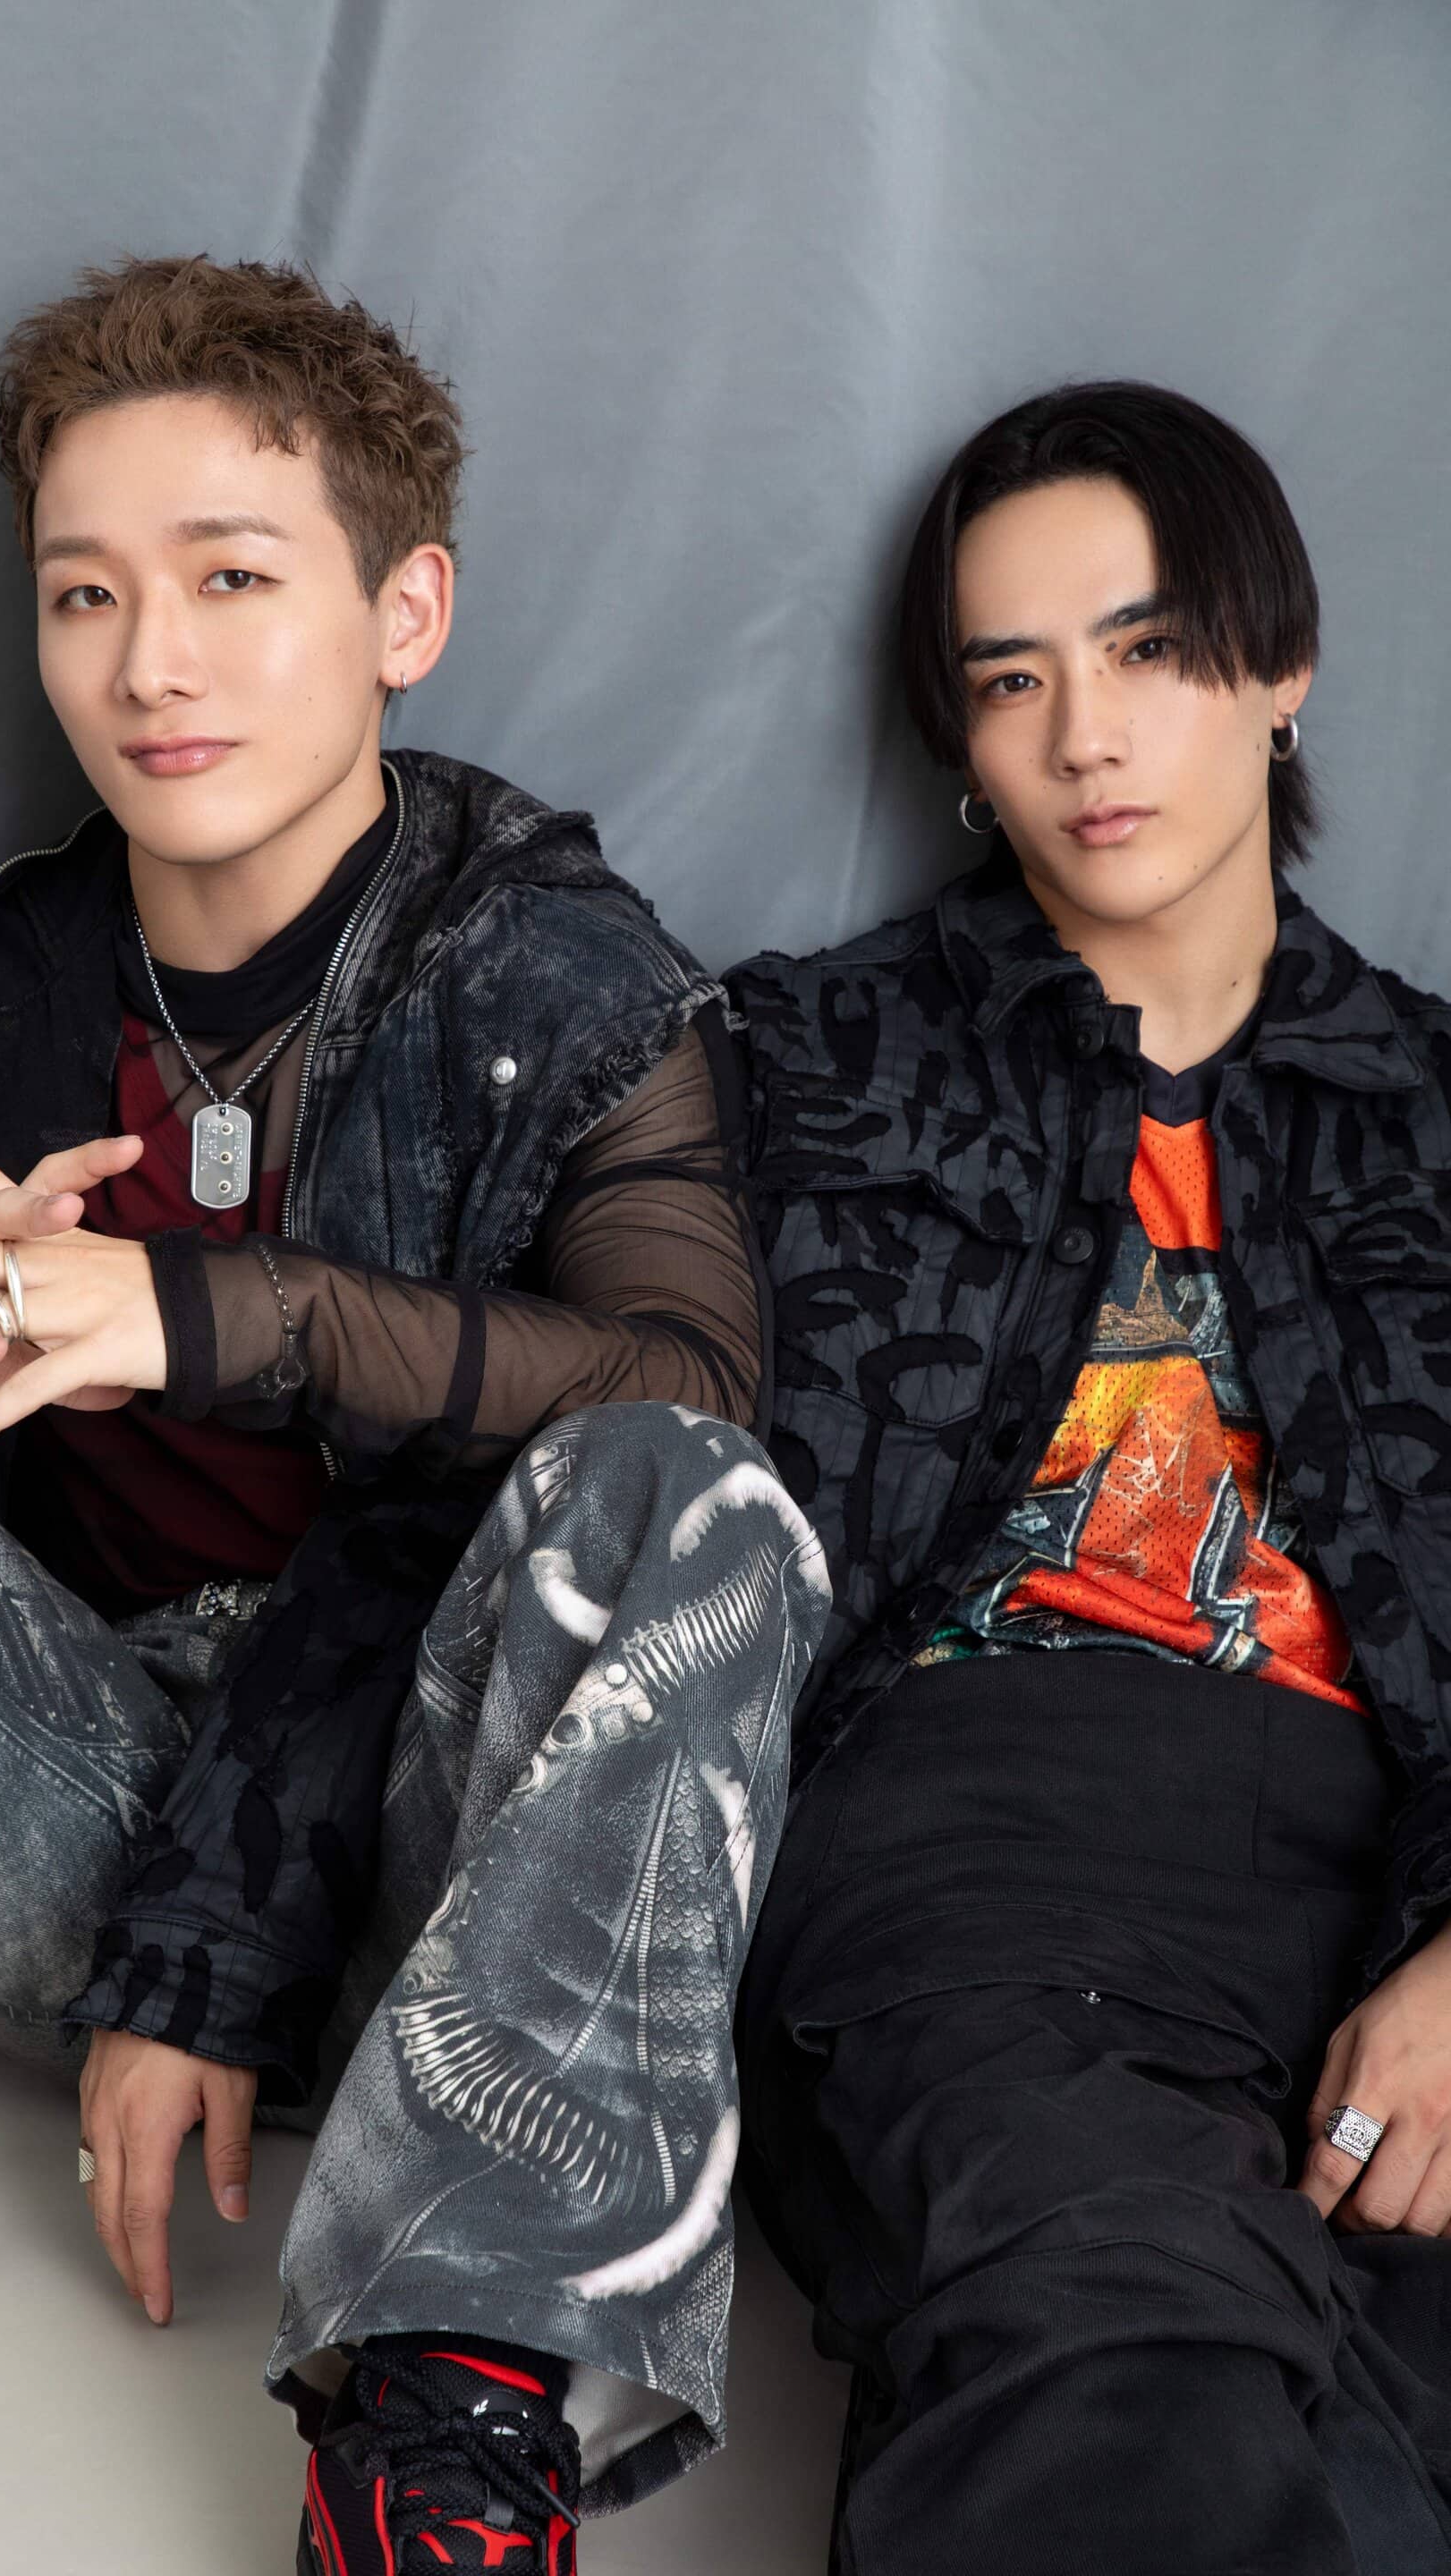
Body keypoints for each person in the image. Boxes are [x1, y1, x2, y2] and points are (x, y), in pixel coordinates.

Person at [0, 254, 830, 2574]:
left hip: (468, 1899)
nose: (152, 663)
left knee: (690, 1490)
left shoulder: (564, 976)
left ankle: (444, 2425)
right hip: (61, 1810)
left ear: (402, 612)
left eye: (232, 578)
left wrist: (194, 1314)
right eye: (85, 594)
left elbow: (688, 1384)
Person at [731, 382, 1451, 2572]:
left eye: (1146, 650)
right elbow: (521, 1446)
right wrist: (205, 1963)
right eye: (1012, 679)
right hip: (974, 1845)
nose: (1086, 737)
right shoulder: (803, 1065)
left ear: (1281, 665)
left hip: (1380, 1873)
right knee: (1118, 2348)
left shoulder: (1433, 1114)